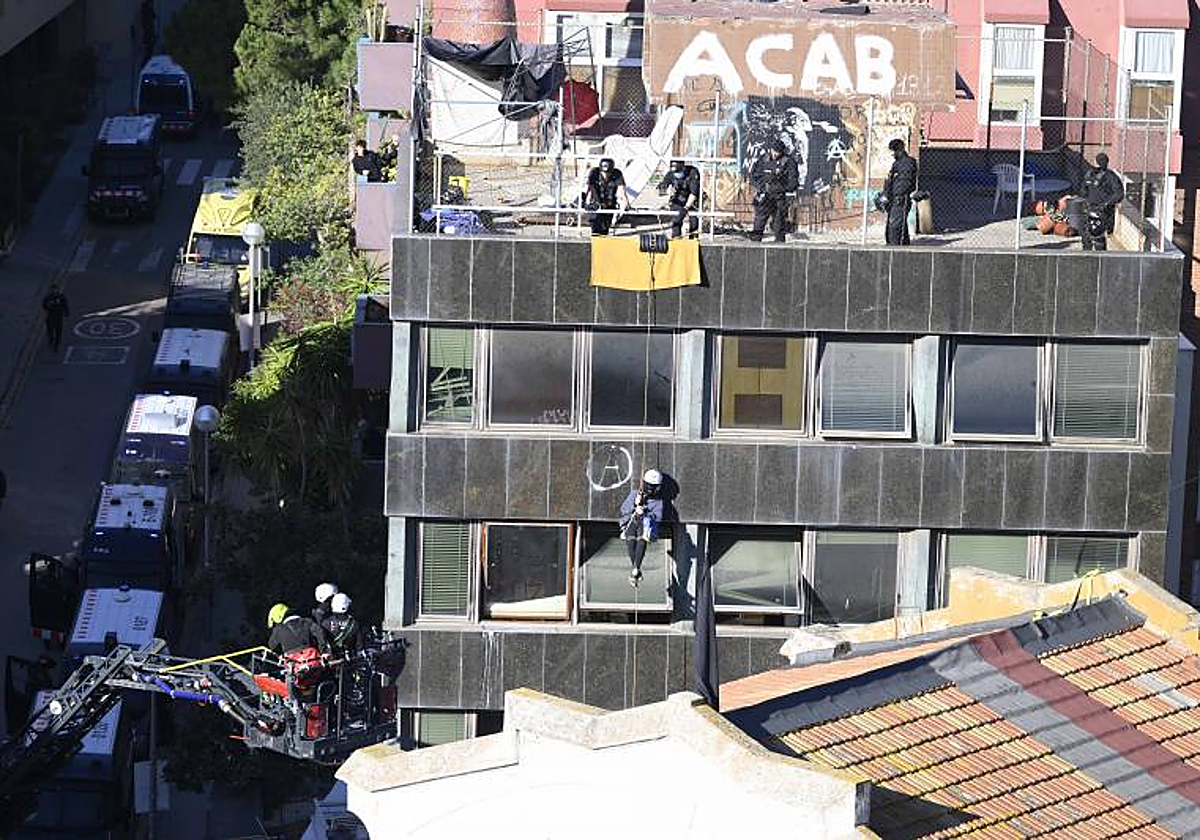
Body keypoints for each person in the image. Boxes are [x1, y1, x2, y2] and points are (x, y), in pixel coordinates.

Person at [619, 469, 665, 587]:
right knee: (631, 539)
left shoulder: (658, 501)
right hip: (631, 522)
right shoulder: (635, 494)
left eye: (654, 487)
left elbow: (658, 518)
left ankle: (636, 568)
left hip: (646, 527)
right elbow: (624, 510)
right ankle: (636, 568)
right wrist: (635, 505)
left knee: (642, 537)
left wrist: (645, 512)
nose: (651, 489)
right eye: (649, 486)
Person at [748, 141, 798, 243]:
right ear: (771, 149)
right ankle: (754, 247)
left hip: (779, 198)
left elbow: (793, 183)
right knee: (759, 223)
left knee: (779, 225)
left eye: (778, 152)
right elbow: (753, 177)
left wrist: (780, 187)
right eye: (774, 151)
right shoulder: (763, 159)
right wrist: (762, 186)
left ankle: (779, 251)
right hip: (764, 196)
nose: (776, 154)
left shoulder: (789, 162)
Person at [1079, 152, 1124, 251]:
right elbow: (1083, 191)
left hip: (1102, 210)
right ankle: (1087, 257)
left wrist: (1106, 204)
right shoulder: (1089, 174)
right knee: (1086, 235)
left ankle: (1101, 257)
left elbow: (1119, 194)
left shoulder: (1110, 176)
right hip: (1089, 208)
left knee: (1097, 234)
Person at [881, 138, 918, 246]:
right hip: (893, 200)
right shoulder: (897, 164)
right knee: (898, 227)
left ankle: (895, 250)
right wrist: (886, 195)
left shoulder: (908, 163)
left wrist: (892, 195)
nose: (892, 154)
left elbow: (904, 185)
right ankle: (904, 247)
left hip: (900, 200)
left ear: (899, 150)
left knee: (895, 228)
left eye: (893, 151)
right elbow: (890, 181)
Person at [585, 157, 629, 236]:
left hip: (609, 205)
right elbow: (590, 189)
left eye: (608, 173)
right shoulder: (594, 173)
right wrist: (588, 203)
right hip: (596, 205)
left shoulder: (617, 174)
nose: (606, 175)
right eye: (604, 173)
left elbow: (621, 190)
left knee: (605, 229)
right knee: (596, 228)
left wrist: (626, 204)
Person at [658, 159, 701, 239]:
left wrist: (686, 207)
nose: (676, 174)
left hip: (692, 200)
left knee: (694, 222)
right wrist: (663, 186)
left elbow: (694, 193)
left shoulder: (692, 173)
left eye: (678, 172)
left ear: (683, 169)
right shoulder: (671, 173)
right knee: (676, 220)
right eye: (675, 173)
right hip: (679, 198)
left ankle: (693, 240)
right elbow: (666, 182)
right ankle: (676, 239)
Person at [321, 593, 363, 658]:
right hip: (350, 661)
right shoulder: (354, 624)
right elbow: (359, 647)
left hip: (331, 662)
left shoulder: (325, 623)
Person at [42, 284, 69, 352]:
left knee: (58, 331)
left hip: (59, 316)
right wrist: (49, 306)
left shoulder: (61, 296)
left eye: (56, 289)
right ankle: (51, 341)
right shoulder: (48, 297)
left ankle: (56, 345)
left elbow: (65, 305)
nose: (54, 291)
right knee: (50, 331)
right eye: (53, 290)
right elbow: (44, 305)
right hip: (51, 316)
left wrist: (66, 313)